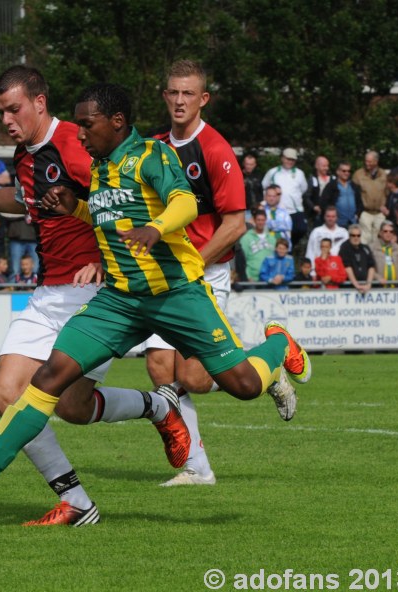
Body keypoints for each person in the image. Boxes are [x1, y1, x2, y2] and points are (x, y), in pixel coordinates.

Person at [0, 82, 311, 512]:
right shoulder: (101, 167)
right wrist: (76, 208)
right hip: (120, 301)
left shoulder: (153, 155)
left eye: (87, 125)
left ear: (117, 121)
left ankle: (279, 346)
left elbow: (185, 203)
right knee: (50, 377)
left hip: (175, 293)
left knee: (244, 385)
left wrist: (156, 228)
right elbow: (106, 215)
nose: (81, 134)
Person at [0, 65, 110, 526]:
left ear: (40, 102)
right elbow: (21, 200)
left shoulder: (73, 143)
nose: (8, 119)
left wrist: (107, 261)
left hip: (93, 292)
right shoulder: (25, 154)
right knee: (6, 392)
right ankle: (78, 503)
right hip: (48, 291)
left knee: (70, 405)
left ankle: (158, 406)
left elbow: (121, 200)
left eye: (15, 109)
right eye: (1, 111)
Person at [140, 59, 247, 485]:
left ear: (203, 99)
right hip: (169, 273)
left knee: (194, 378)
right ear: (165, 96)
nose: (180, 100)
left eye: (189, 93)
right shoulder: (154, 148)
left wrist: (193, 264)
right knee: (159, 367)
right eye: (173, 92)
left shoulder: (216, 150)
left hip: (205, 272)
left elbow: (235, 224)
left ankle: (267, 362)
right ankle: (197, 469)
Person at [262, 147, 308, 247]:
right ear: (282, 158)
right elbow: (265, 186)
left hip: (295, 210)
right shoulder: (273, 172)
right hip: (278, 210)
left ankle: (290, 248)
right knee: (277, 234)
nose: (290, 161)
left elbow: (304, 189)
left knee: (301, 229)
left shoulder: (300, 173)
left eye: (292, 159)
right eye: (288, 159)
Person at [352, 150, 388, 240]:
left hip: (380, 213)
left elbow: (388, 192)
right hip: (365, 212)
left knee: (380, 239)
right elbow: (353, 193)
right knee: (365, 238)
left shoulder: (384, 175)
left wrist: (387, 207)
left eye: (369, 161)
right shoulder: (358, 174)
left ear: (376, 162)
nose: (366, 163)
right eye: (366, 161)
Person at [304, 205, 349, 276]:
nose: (330, 219)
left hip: (338, 272)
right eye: (328, 216)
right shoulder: (316, 232)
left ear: (337, 217)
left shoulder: (344, 233)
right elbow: (310, 252)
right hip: (320, 270)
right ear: (324, 217)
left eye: (333, 216)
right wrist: (312, 272)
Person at [320, 161, 362, 228]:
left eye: (348, 171)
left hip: (353, 222)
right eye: (344, 171)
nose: (346, 173)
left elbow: (360, 202)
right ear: (338, 172)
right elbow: (324, 202)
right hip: (338, 224)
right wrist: (331, 217)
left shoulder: (353, 186)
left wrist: (357, 214)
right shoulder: (331, 186)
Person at [239, 209, 276, 282]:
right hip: (252, 278)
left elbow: (275, 259)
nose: (260, 222)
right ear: (254, 220)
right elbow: (242, 260)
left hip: (269, 278)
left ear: (265, 220)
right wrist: (247, 276)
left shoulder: (272, 239)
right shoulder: (246, 238)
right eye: (258, 220)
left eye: (263, 220)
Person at [338, 224, 376, 294]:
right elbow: (347, 267)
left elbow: (371, 266)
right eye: (353, 235)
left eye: (358, 235)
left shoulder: (365, 248)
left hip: (366, 286)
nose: (356, 238)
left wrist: (369, 284)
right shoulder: (344, 248)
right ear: (349, 236)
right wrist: (356, 285)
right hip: (349, 288)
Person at [371, 222, 398, 287]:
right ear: (380, 233)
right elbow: (369, 269)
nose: (388, 234)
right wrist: (378, 278)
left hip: (396, 287)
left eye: (391, 232)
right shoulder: (372, 248)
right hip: (378, 287)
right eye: (385, 231)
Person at [305, 155, 332, 225]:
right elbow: (306, 196)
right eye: (324, 166)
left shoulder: (332, 179)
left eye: (327, 166)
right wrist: (313, 207)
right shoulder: (312, 179)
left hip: (330, 213)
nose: (326, 168)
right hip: (316, 214)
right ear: (317, 166)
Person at [241, 153, 262, 219]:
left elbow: (262, 191)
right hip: (244, 210)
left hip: (258, 209)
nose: (249, 166)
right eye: (247, 164)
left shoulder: (259, 176)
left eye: (251, 164)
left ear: (255, 165)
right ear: (244, 164)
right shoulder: (238, 176)